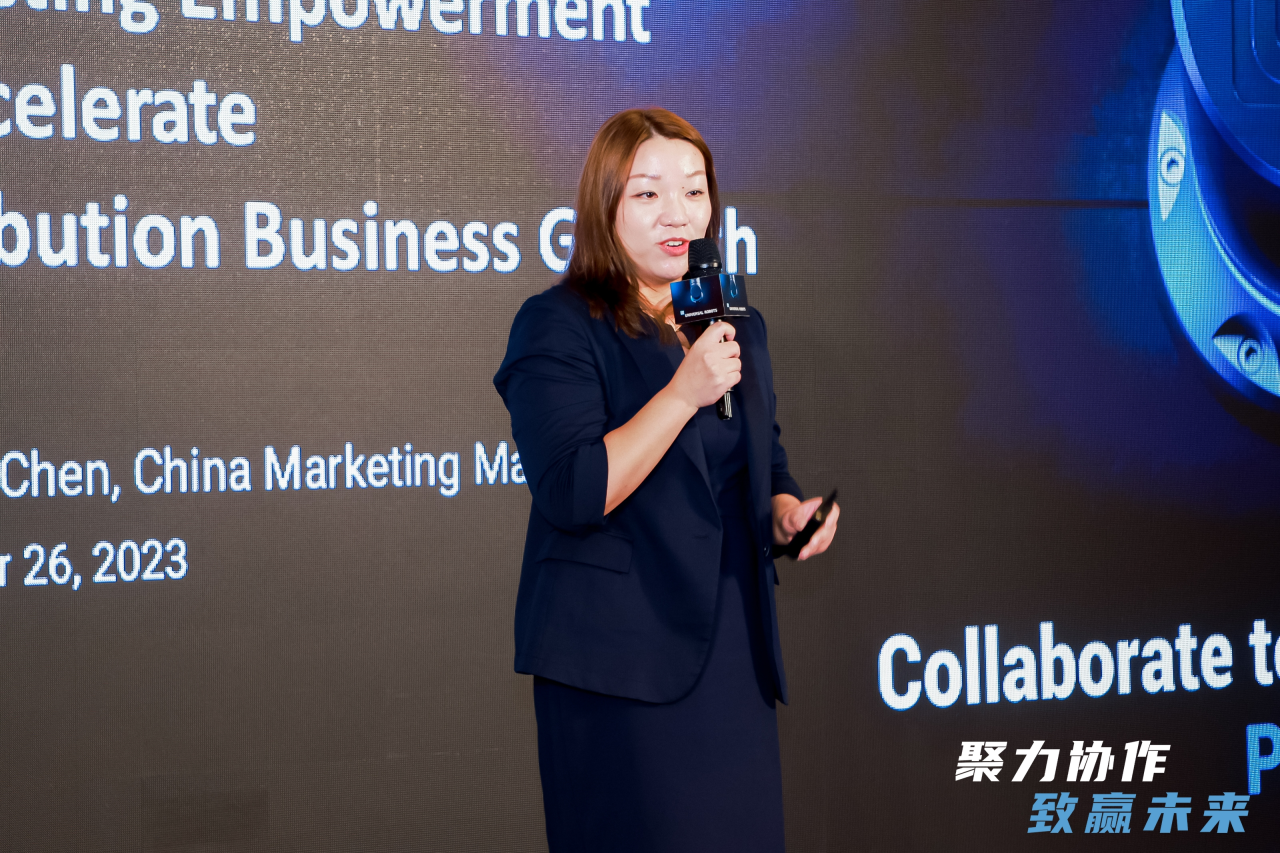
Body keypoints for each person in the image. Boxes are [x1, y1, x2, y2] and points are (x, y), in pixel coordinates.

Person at [493, 107, 839, 853]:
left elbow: (761, 457)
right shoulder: (557, 323)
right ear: (605, 206)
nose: (677, 213)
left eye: (694, 190)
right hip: (618, 661)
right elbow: (573, 489)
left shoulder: (735, 321)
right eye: (648, 193)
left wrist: (785, 511)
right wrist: (682, 393)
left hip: (731, 650)